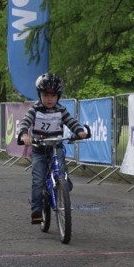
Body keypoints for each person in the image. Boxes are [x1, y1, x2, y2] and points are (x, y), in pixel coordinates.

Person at [18, 73, 88, 224]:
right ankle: (37, 208)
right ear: (40, 95)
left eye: (53, 96)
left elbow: (71, 122)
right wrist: (24, 135)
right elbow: (25, 122)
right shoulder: (35, 110)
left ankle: (62, 188)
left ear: (58, 96)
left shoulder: (61, 110)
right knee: (38, 180)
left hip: (56, 147)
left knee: (62, 175)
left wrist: (80, 131)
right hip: (39, 149)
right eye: (45, 95)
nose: (49, 99)